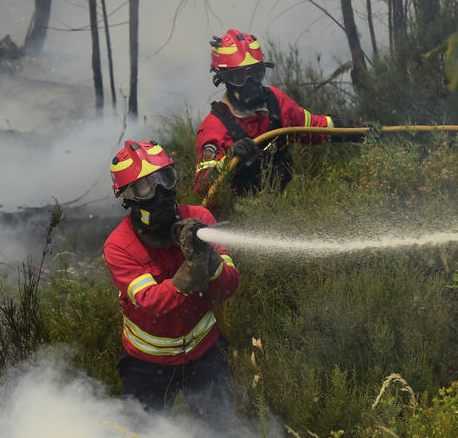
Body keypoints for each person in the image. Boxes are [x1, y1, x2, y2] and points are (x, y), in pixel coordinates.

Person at [104, 139, 240, 422]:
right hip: (148, 365)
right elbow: (151, 302)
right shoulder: (119, 246)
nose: (161, 190)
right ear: (129, 196)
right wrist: (191, 270)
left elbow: (228, 286)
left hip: (205, 354)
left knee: (222, 428)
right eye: (146, 184)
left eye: (164, 178)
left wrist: (210, 260)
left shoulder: (200, 218)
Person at [193, 28, 365, 198]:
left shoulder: (276, 101)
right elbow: (202, 185)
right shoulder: (215, 128)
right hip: (243, 220)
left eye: (256, 73)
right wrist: (229, 161)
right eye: (239, 77)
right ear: (223, 79)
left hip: (284, 208)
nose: (250, 83)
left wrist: (359, 131)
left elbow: (314, 127)